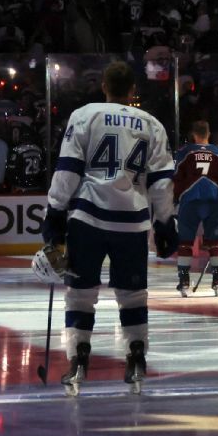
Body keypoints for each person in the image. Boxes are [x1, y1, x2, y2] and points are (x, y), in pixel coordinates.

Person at [38, 61, 178, 396]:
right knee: (132, 295)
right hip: (131, 220)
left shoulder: (85, 115)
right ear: (133, 91)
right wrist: (164, 222)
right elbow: (161, 182)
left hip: (88, 217)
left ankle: (79, 360)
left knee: (81, 294)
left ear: (104, 86)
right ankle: (136, 357)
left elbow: (68, 169)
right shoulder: (152, 124)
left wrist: (55, 210)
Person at [171, 120, 218, 297]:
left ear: (193, 134)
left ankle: (183, 280)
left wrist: (175, 200)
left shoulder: (185, 152)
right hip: (213, 202)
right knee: (216, 242)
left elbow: (176, 177)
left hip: (190, 201)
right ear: (209, 133)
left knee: (185, 241)